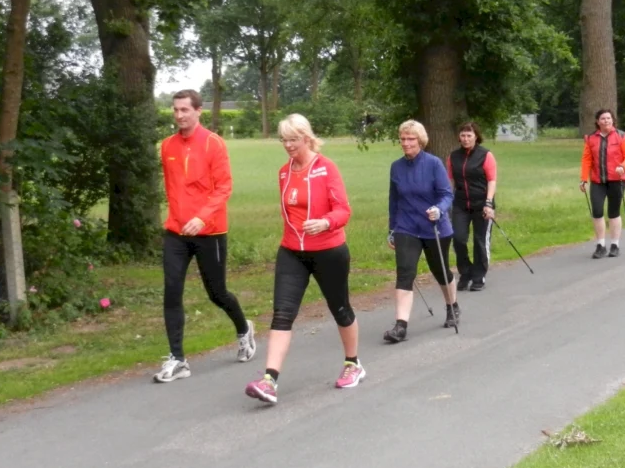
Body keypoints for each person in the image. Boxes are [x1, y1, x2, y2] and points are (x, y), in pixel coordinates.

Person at [245, 114, 363, 405]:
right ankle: (269, 380)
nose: (288, 145)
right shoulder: (284, 172)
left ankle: (353, 364)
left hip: (328, 250)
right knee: (282, 314)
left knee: (340, 308)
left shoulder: (326, 168)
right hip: (292, 252)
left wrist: (325, 222)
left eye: (293, 140)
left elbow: (343, 210)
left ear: (307, 138)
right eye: (284, 140)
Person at [155, 89, 256, 382]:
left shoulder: (214, 144)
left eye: (184, 110)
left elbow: (224, 187)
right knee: (172, 291)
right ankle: (178, 359)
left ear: (198, 111)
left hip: (209, 231)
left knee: (217, 293)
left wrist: (201, 218)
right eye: (175, 110)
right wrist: (181, 219)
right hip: (176, 232)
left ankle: (243, 328)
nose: (179, 115)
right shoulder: (167, 146)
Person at [384, 119, 459, 341]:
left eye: (411, 139)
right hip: (406, 227)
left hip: (434, 227)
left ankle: (452, 306)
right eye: (403, 139)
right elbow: (394, 200)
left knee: (441, 271)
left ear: (420, 141)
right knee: (405, 273)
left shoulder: (433, 163)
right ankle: (400, 326)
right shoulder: (396, 167)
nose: (406, 143)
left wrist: (439, 208)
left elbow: (447, 194)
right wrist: (392, 229)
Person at [447, 121, 497, 292]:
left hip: (482, 204)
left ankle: (478, 275)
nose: (466, 139)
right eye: (463, 135)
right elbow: (450, 181)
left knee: (480, 241)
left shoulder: (485, 155)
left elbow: (491, 180)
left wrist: (489, 203)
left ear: (476, 136)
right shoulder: (453, 157)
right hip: (461, 203)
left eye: (469, 135)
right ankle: (465, 272)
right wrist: (447, 201)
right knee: (459, 239)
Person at [580, 109, 625, 259]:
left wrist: (623, 166)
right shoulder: (591, 138)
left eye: (609, 118)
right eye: (603, 118)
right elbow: (586, 160)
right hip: (598, 180)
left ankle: (615, 245)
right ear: (598, 121)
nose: (606, 121)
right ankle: (600, 245)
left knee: (613, 212)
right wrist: (584, 179)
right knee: (597, 211)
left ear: (613, 120)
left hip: (617, 180)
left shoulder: (622, 136)